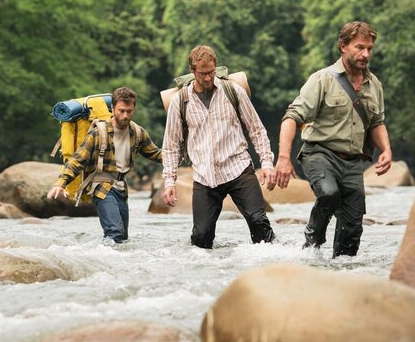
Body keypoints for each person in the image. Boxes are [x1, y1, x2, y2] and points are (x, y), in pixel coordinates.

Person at [274, 21, 392, 257]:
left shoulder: (374, 85)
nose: (365, 54)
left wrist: (386, 150)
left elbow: (377, 123)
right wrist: (284, 158)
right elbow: (291, 117)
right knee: (329, 193)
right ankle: (311, 247)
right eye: (359, 47)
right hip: (319, 154)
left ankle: (341, 268)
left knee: (353, 228)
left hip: (353, 162)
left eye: (369, 49)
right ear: (343, 46)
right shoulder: (322, 79)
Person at [162, 45, 277, 249]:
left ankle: (272, 262)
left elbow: (256, 129)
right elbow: (170, 146)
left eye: (211, 72)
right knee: (201, 237)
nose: (208, 78)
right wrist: (169, 181)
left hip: (238, 168)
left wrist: (267, 163)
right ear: (192, 71)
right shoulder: (180, 101)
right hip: (205, 176)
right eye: (202, 73)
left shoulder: (233, 91)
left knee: (258, 221)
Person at [47, 87, 162, 244]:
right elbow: (77, 160)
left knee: (123, 238)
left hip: (121, 188)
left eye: (129, 111)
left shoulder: (137, 132)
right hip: (101, 187)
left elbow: (155, 153)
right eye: (121, 111)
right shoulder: (98, 133)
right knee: (114, 232)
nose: (125, 115)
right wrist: (60, 183)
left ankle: (106, 258)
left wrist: (181, 155)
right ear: (113, 108)